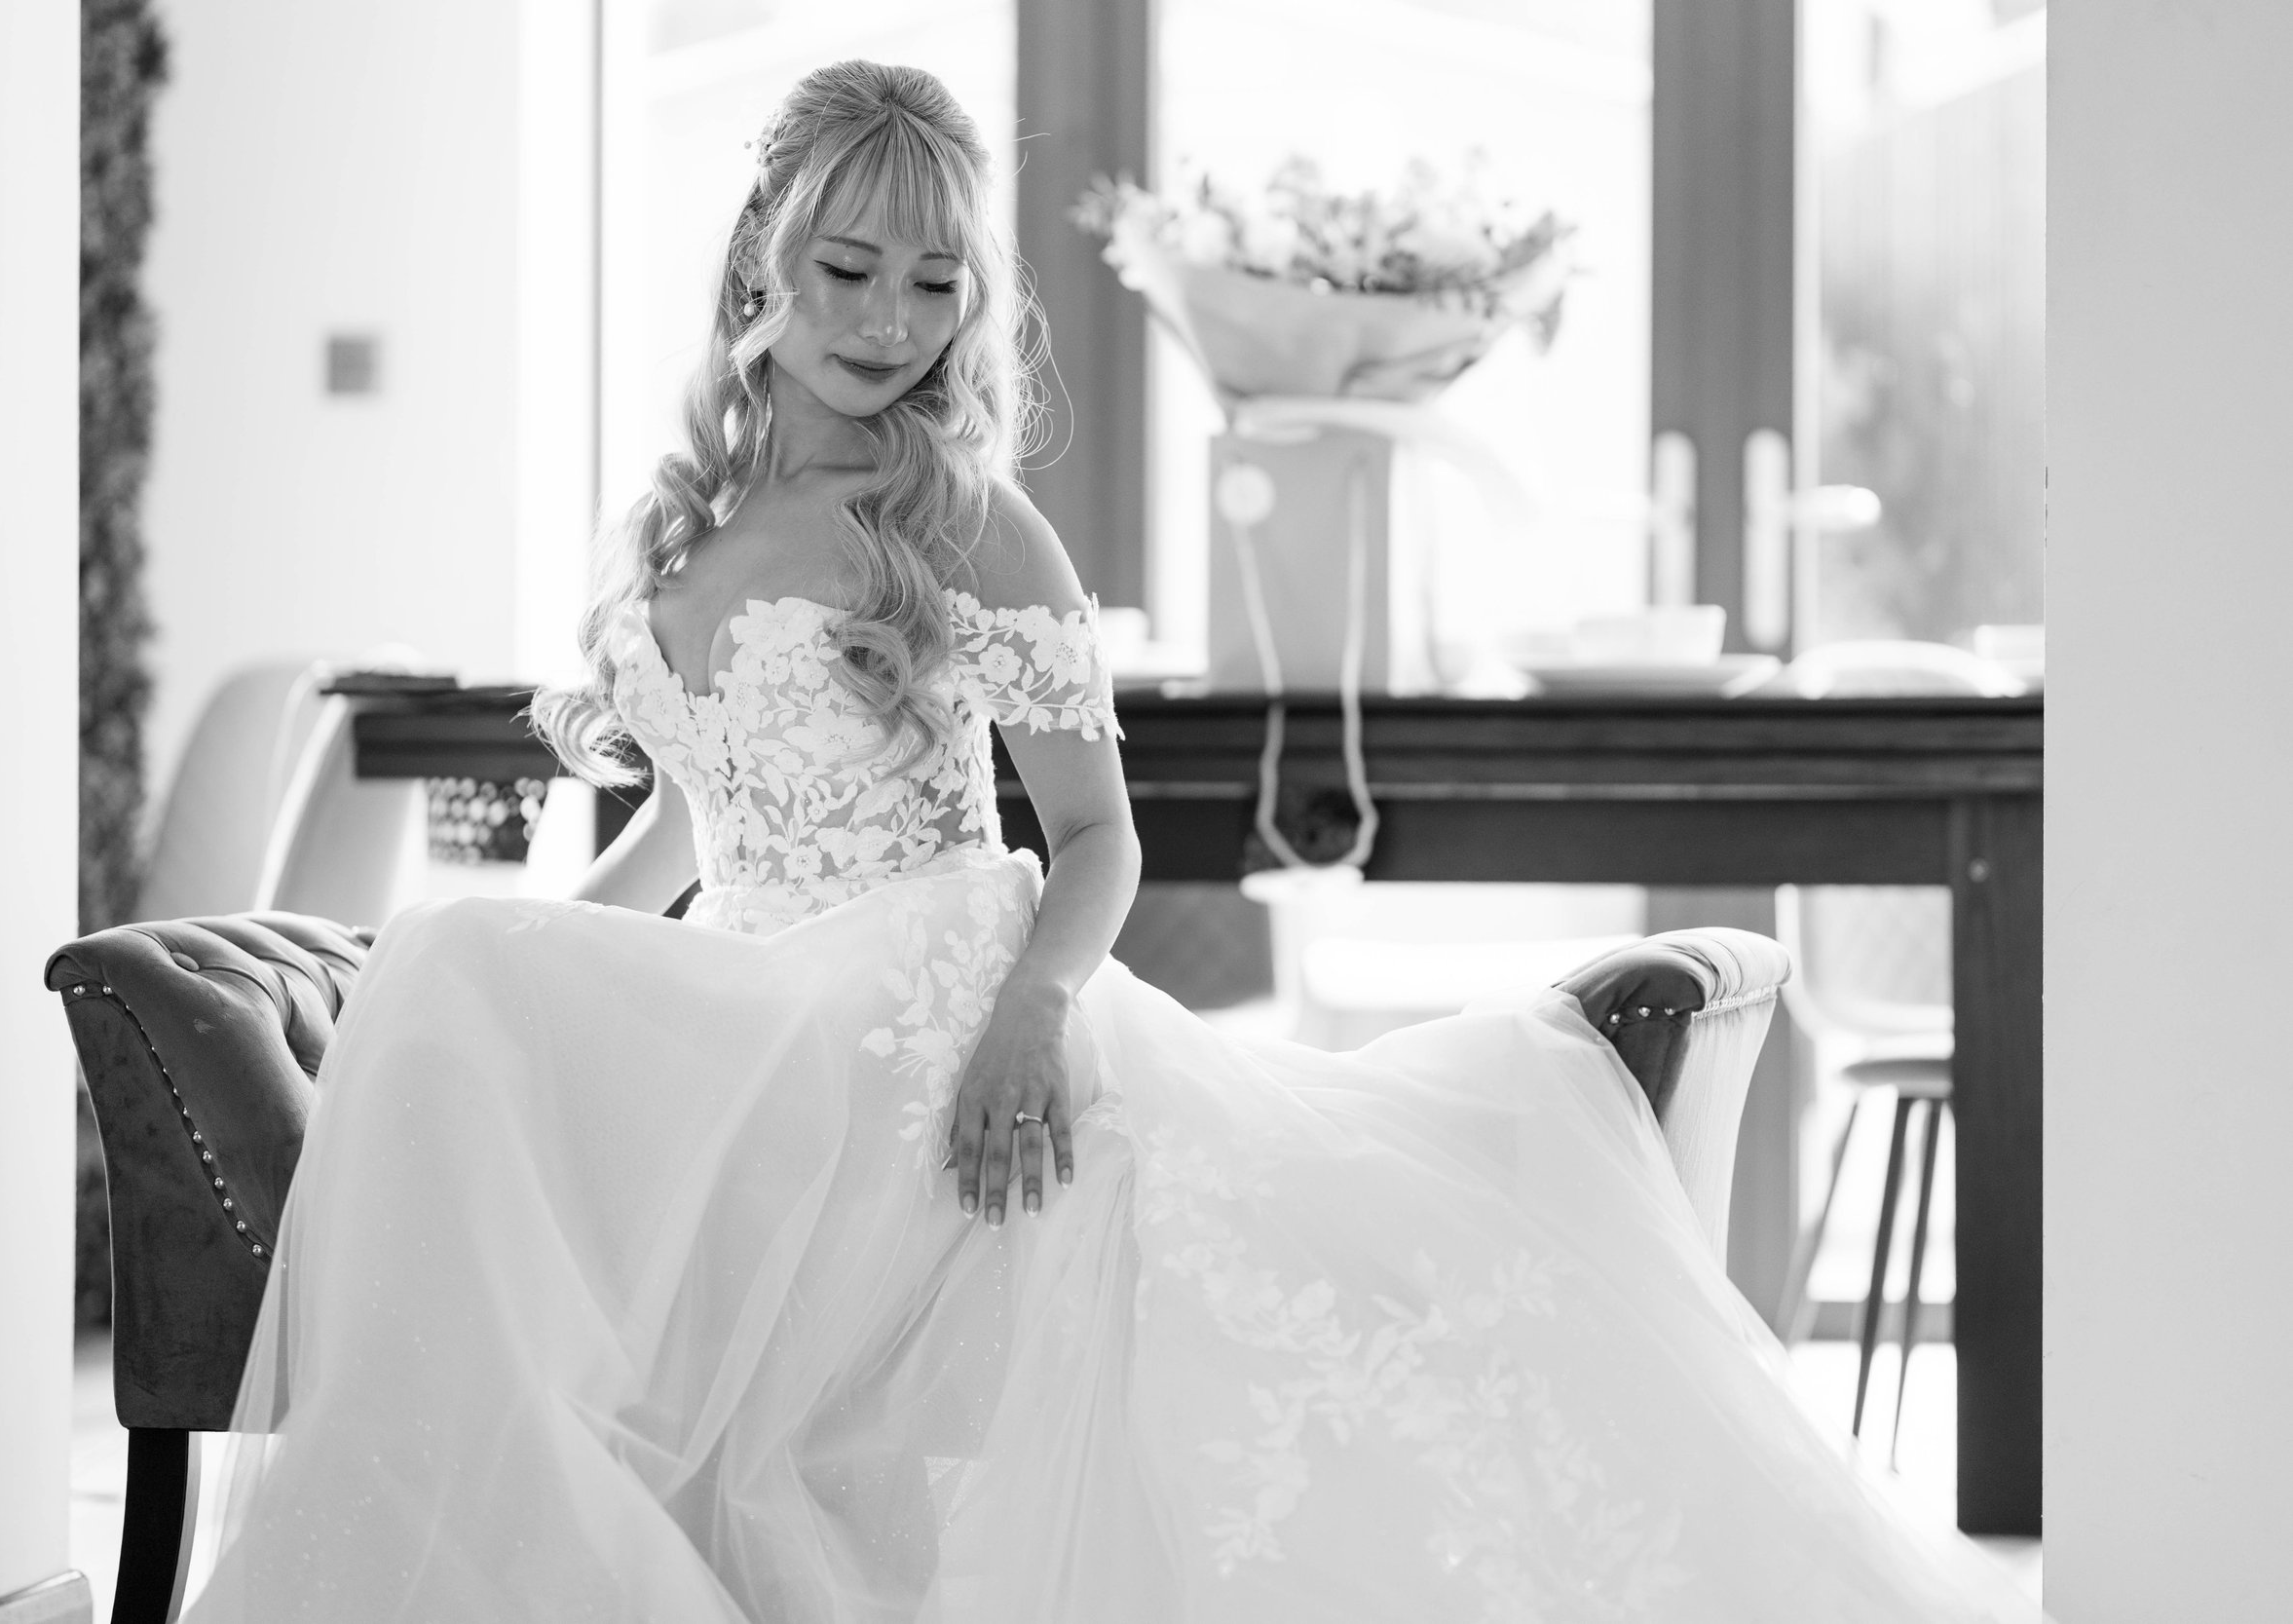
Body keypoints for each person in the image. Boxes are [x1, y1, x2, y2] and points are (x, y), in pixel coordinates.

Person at [184, 58, 2042, 1624]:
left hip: (936, 1002)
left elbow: (1097, 840)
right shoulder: (683, 530)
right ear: (760, 255)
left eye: (930, 288)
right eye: (845, 270)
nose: (885, 324)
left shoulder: (972, 528)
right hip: (766, 1011)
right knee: (462, 972)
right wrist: (521, 968)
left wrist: (1022, 1018)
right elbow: (685, 826)